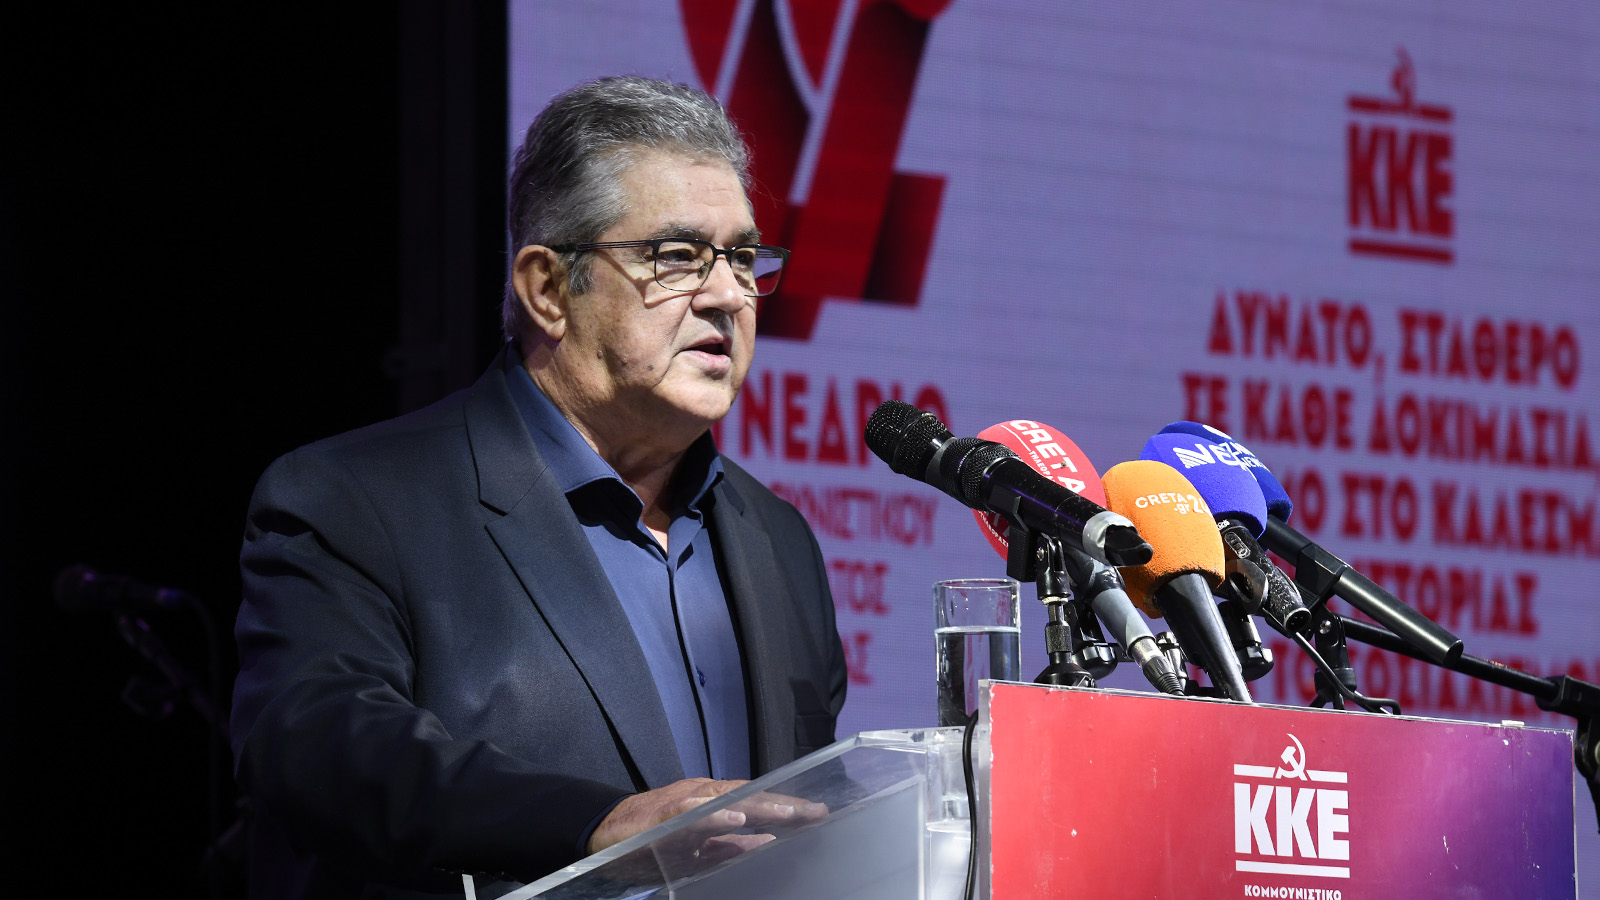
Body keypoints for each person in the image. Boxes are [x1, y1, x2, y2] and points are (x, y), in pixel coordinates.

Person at [229, 75, 848, 898]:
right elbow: (323, 750)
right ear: (548, 290)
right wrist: (597, 826)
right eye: (679, 257)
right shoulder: (355, 502)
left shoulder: (780, 540)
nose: (730, 295)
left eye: (741, 257)